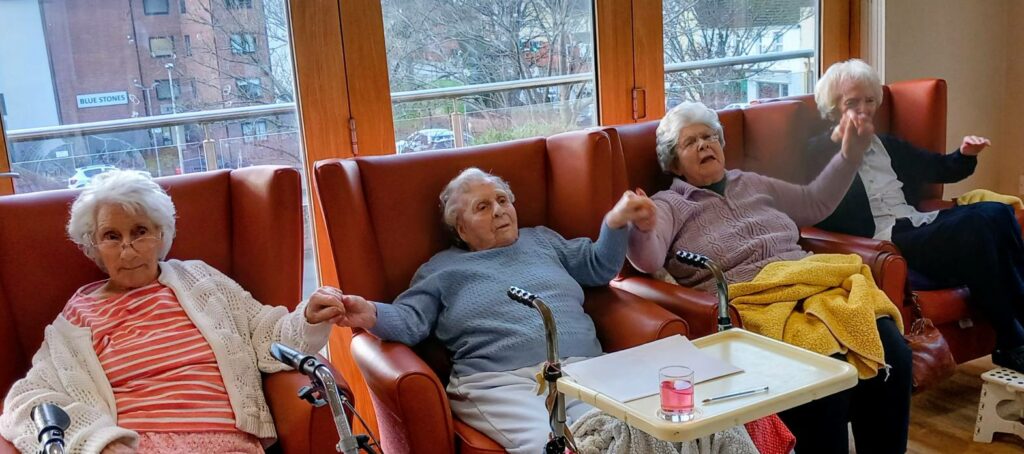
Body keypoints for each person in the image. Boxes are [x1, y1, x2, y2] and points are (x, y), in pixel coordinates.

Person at [626, 101, 912, 454]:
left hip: (814, 284)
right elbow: (648, 259)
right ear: (673, 162)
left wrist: (849, 156)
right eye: (690, 143)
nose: (704, 145)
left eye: (709, 137)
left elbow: (814, 202)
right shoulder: (669, 204)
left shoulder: (752, 182)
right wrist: (643, 224)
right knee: (826, 376)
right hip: (755, 300)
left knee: (893, 351)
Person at [0, 170, 348, 454]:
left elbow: (265, 335)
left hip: (227, 444)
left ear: (161, 234)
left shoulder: (200, 280)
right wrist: (97, 442)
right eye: (111, 236)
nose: (128, 249)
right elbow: (26, 400)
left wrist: (308, 318)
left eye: (140, 232)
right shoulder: (79, 315)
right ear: (93, 246)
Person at [326, 167, 657, 453]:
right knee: (552, 446)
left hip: (581, 369)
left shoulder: (542, 240)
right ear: (461, 229)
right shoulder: (441, 270)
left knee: (622, 432)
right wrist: (369, 311)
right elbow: (410, 321)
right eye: (482, 207)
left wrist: (616, 222)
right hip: (498, 383)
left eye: (502, 200)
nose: (499, 210)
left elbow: (597, 266)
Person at [809, 59, 1024, 373]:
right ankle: (1012, 339)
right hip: (884, 240)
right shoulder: (818, 151)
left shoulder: (887, 145)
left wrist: (965, 154)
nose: (863, 109)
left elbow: (937, 166)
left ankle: (1016, 331)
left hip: (914, 222)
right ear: (832, 108)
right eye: (852, 103)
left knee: (998, 212)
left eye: (869, 101)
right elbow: (816, 203)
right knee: (976, 225)